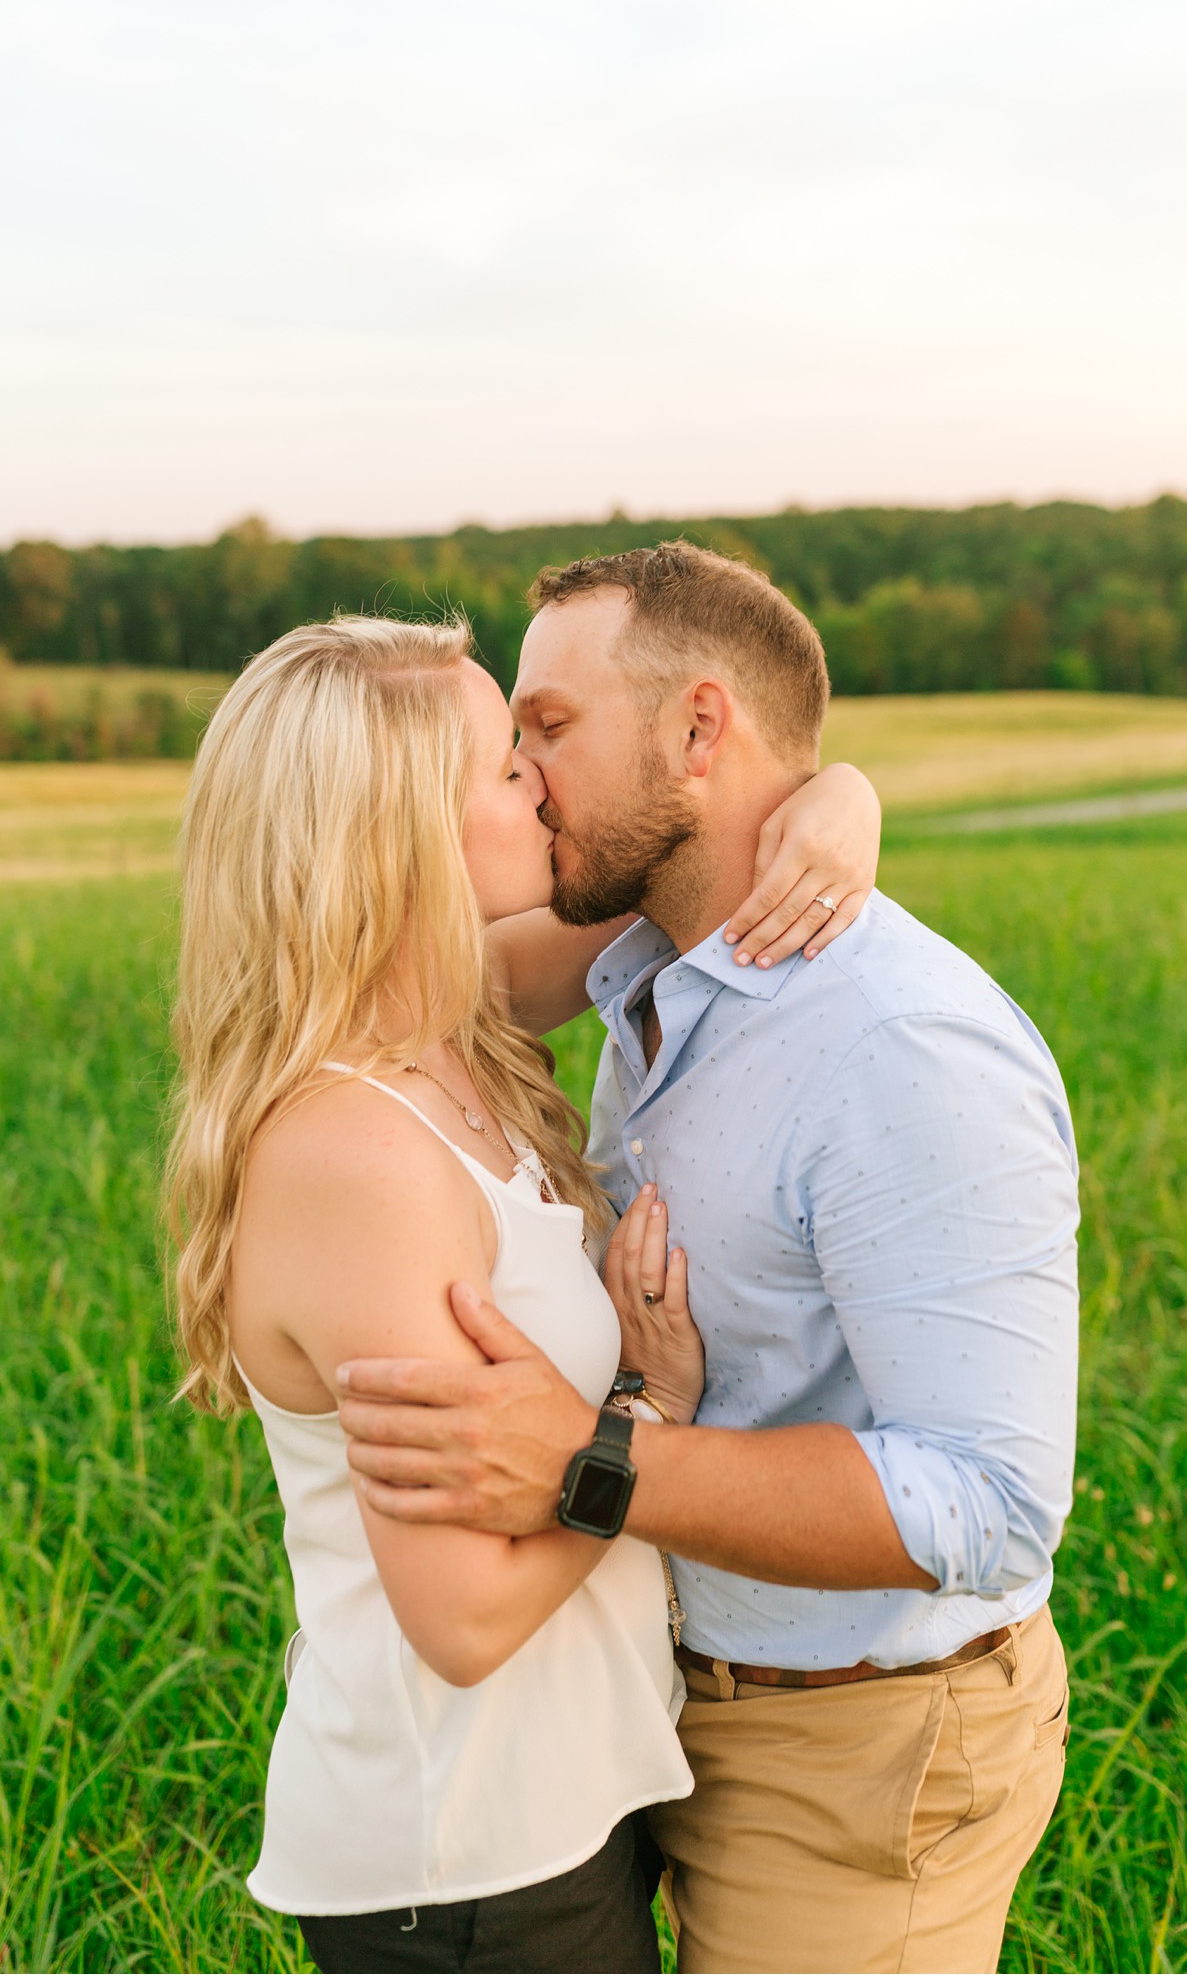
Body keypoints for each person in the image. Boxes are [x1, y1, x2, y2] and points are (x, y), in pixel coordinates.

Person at [338, 543, 1082, 1977]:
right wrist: (839, 789)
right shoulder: (638, 964)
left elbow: (993, 1501)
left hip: (862, 1739)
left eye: (544, 727)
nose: (520, 771)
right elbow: (345, 969)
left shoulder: (898, 1043)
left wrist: (597, 1460)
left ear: (695, 730)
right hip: (668, 1704)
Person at [164, 610, 884, 1975]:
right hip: (463, 1864)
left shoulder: (445, 1021)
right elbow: (466, 1614)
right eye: (504, 764)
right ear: (405, 836)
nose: (539, 783)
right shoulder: (358, 1155)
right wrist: (645, 1407)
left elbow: (687, 886)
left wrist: (834, 798)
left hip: (550, 1812)